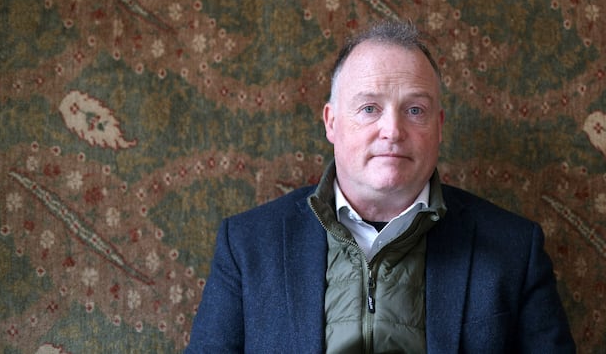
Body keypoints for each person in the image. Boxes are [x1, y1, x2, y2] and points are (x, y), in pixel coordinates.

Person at [186, 20, 575, 353]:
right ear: (332, 123)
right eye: (370, 108)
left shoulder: (514, 249)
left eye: (415, 110)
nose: (392, 131)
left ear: (439, 127)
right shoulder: (247, 244)